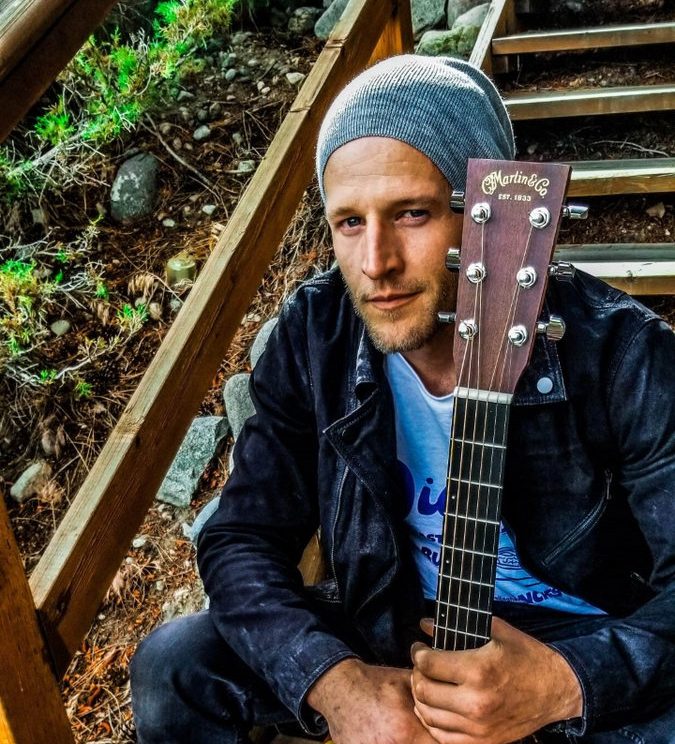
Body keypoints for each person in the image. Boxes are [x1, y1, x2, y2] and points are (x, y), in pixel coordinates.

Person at [131, 55, 675, 744]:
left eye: (412, 213)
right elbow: (241, 536)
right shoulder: (316, 334)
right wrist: (338, 684)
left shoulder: (621, 352)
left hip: (581, 647)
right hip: (396, 620)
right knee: (176, 665)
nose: (376, 263)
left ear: (489, 218)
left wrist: (564, 684)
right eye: (349, 222)